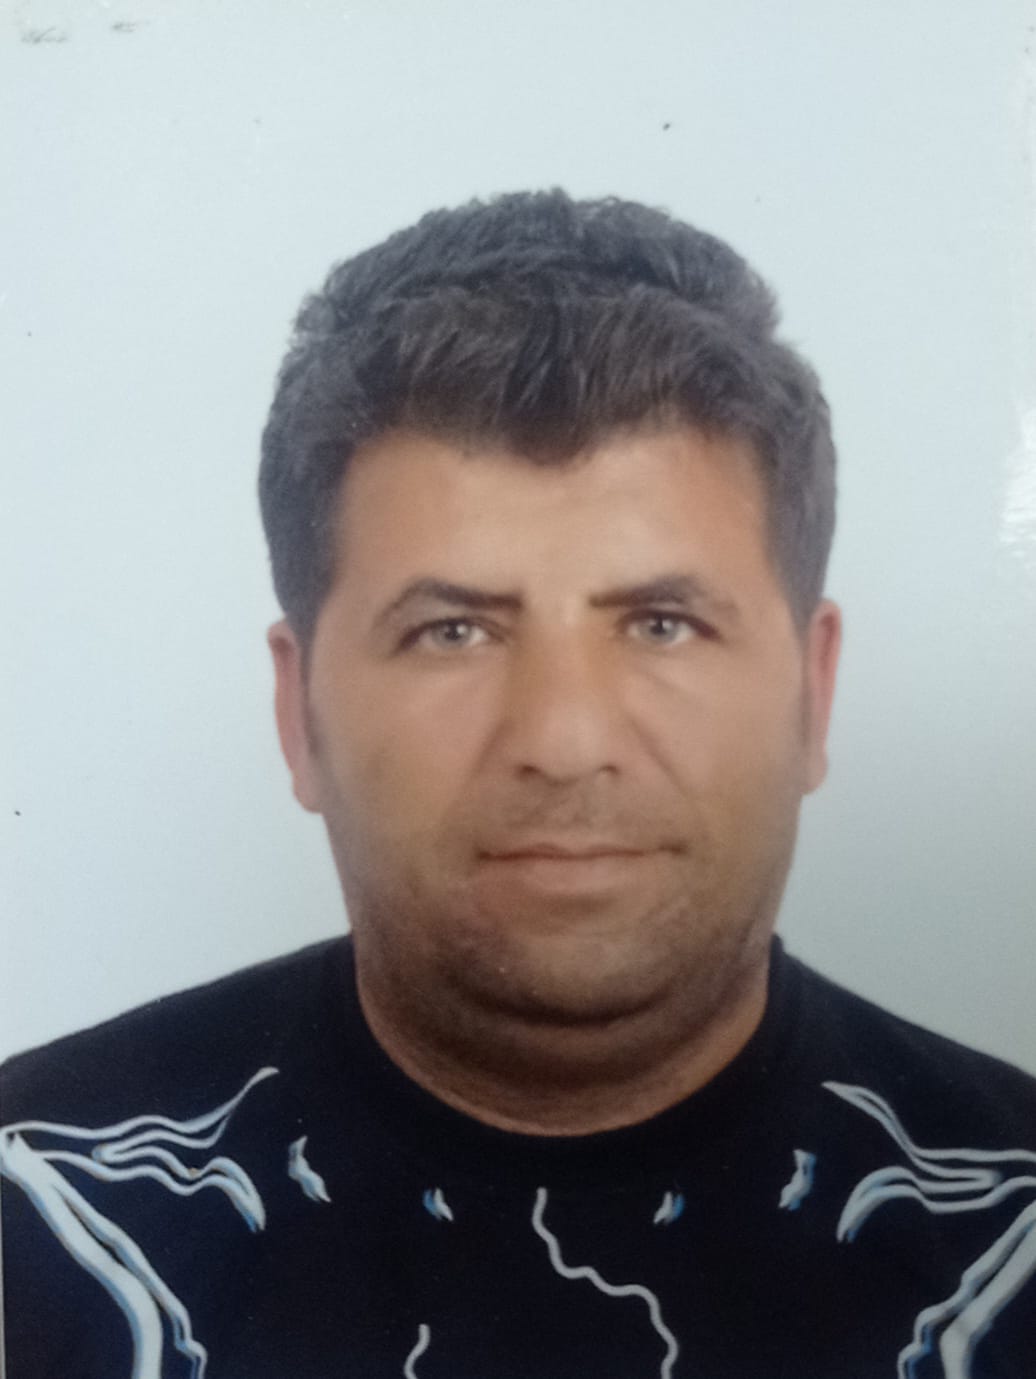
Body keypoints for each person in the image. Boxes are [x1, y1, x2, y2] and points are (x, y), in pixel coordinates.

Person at [2, 190, 1034, 1379]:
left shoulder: (1011, 1240)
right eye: (452, 630)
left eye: (661, 621)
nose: (564, 738)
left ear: (814, 689)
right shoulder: (40, 1212)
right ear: (299, 714)